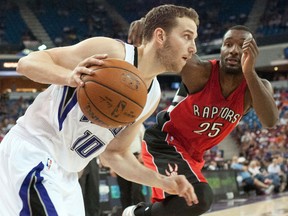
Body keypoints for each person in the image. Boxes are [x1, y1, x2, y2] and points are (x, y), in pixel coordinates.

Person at [0, 4, 200, 215]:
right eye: (187, 36)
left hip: (67, 177)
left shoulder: (152, 96)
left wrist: (164, 182)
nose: (193, 47)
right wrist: (69, 77)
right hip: (33, 154)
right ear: (160, 36)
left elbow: (115, 155)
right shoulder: (112, 53)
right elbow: (27, 63)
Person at [123, 20, 279, 216]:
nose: (233, 50)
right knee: (200, 196)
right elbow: (169, 46)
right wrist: (148, 31)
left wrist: (249, 71)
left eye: (242, 46)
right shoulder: (200, 71)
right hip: (165, 142)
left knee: (182, 203)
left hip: (193, 155)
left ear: (253, 52)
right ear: (221, 47)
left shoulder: (255, 88)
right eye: (228, 44)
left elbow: (270, 121)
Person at [110, 124, 146, 212]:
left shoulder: (139, 124)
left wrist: (143, 154)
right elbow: (111, 146)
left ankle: (140, 212)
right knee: (124, 191)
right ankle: (126, 213)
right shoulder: (116, 125)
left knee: (136, 190)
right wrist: (112, 166)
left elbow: (145, 140)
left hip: (136, 158)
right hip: (120, 159)